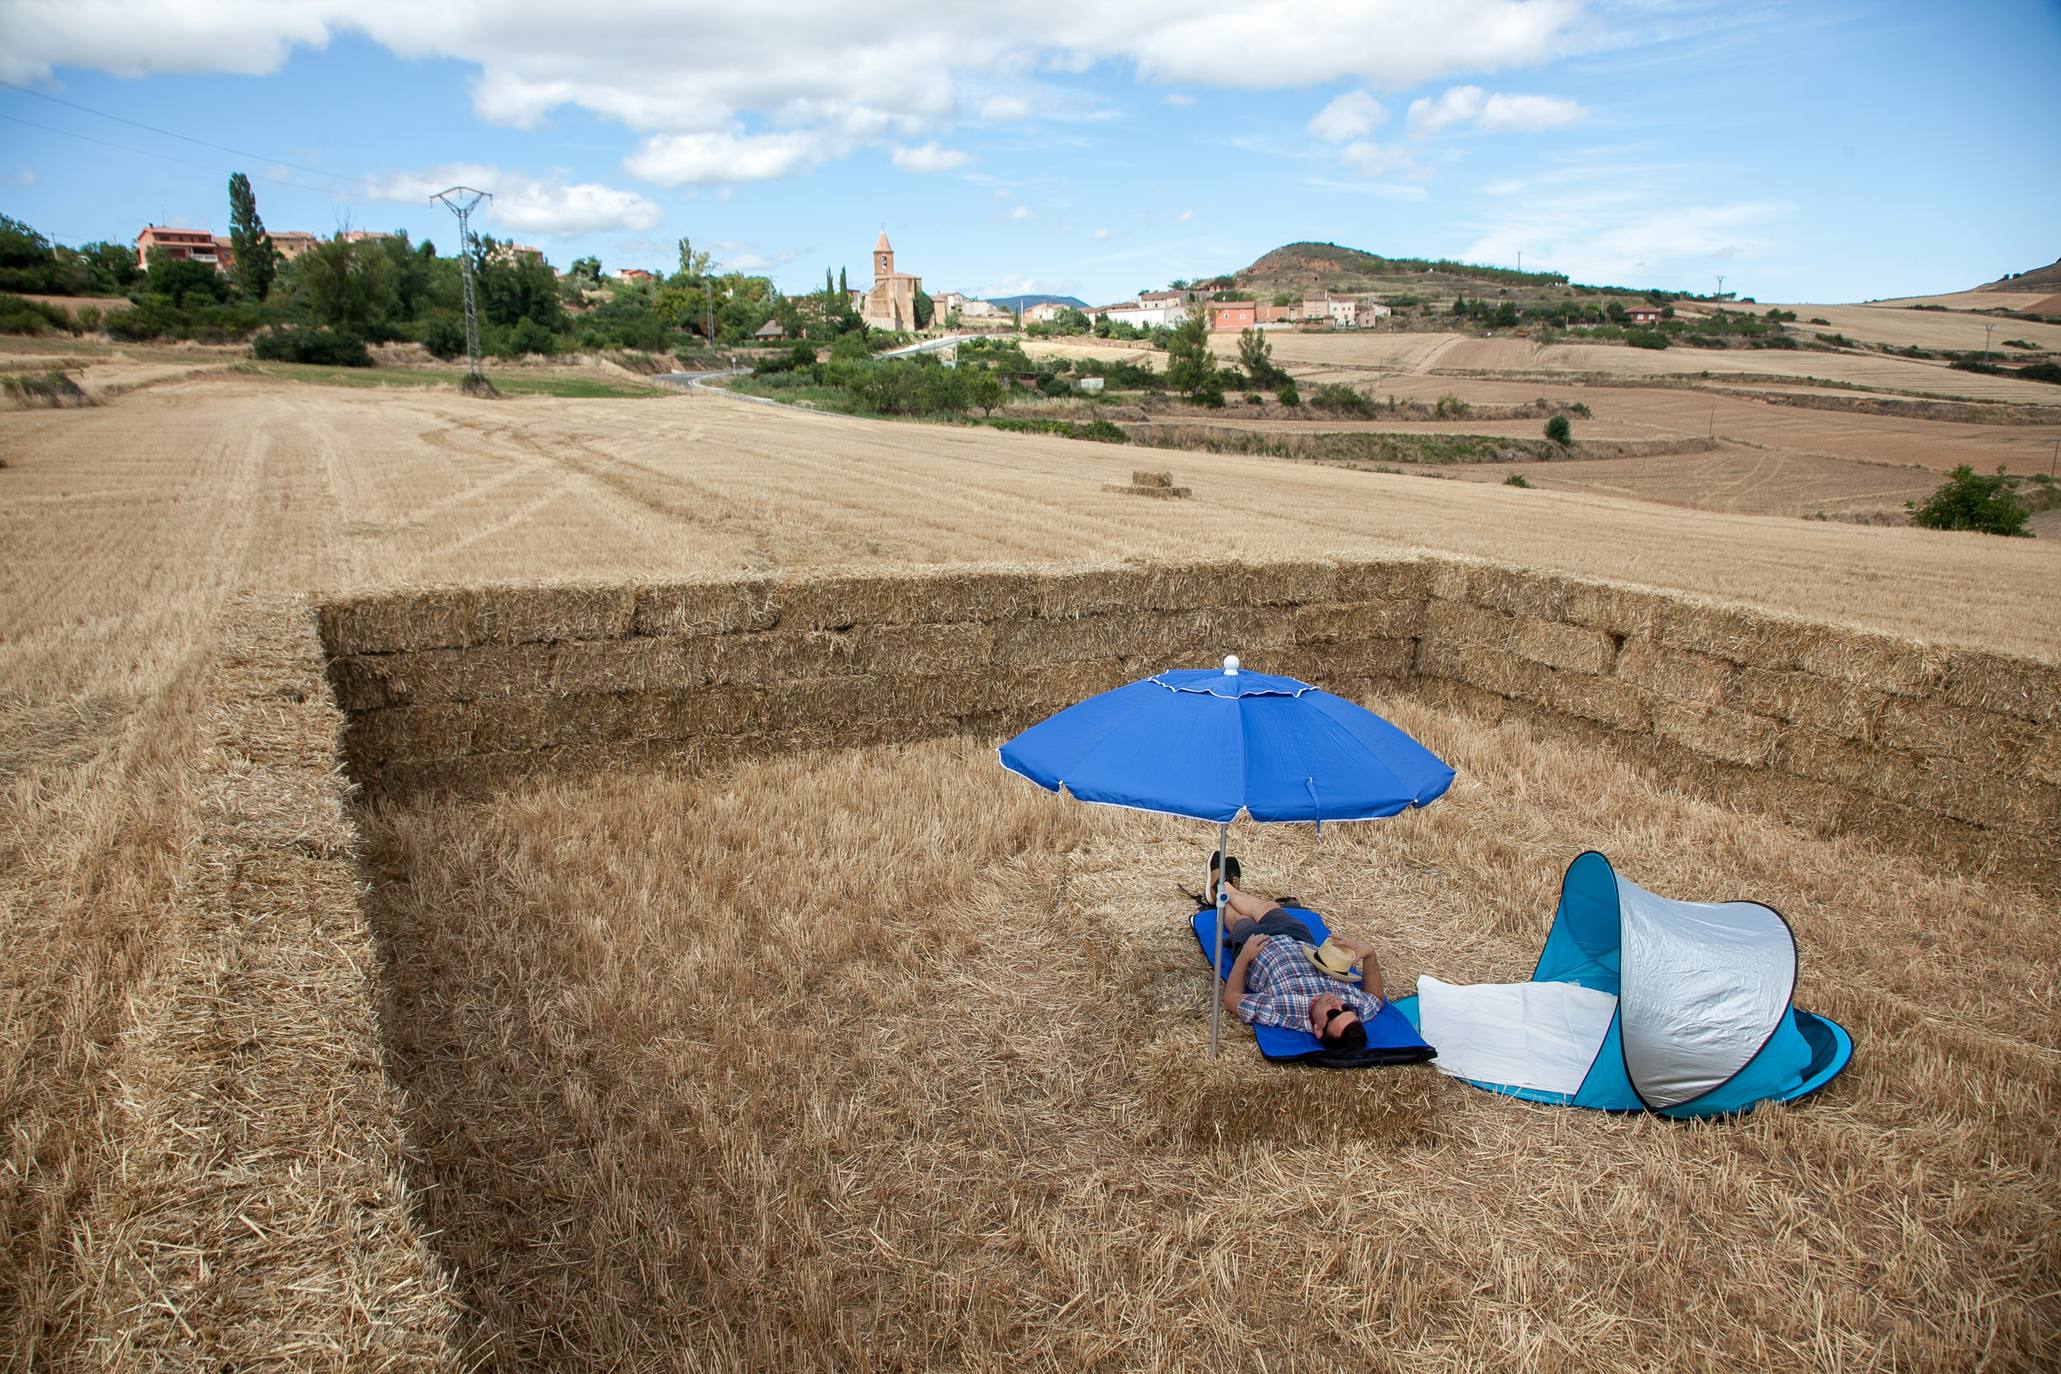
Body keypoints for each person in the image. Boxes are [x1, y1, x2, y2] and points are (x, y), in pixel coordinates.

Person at [1215, 876, 1388, 1052]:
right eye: (1346, 1008)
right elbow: (1375, 998)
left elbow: (1230, 1000)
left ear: (1318, 1030)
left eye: (1334, 1013)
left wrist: (1244, 956)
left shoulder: (1284, 1011)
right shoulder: (1356, 1005)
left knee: (1241, 920)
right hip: (1299, 940)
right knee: (1269, 907)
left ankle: (1220, 891)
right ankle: (1227, 887)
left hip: (1257, 947)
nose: (1338, 1004)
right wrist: (1369, 955)